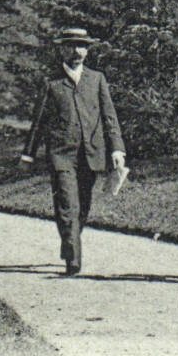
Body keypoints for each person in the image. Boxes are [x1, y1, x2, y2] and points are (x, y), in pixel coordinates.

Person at [19, 27, 127, 275]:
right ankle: (74, 259)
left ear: (87, 51)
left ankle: (70, 244)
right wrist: (28, 154)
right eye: (71, 46)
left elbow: (109, 117)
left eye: (82, 46)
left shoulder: (97, 79)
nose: (77, 51)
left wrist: (117, 149)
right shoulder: (51, 83)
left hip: (91, 154)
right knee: (68, 204)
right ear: (61, 50)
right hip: (61, 154)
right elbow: (39, 122)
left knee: (83, 206)